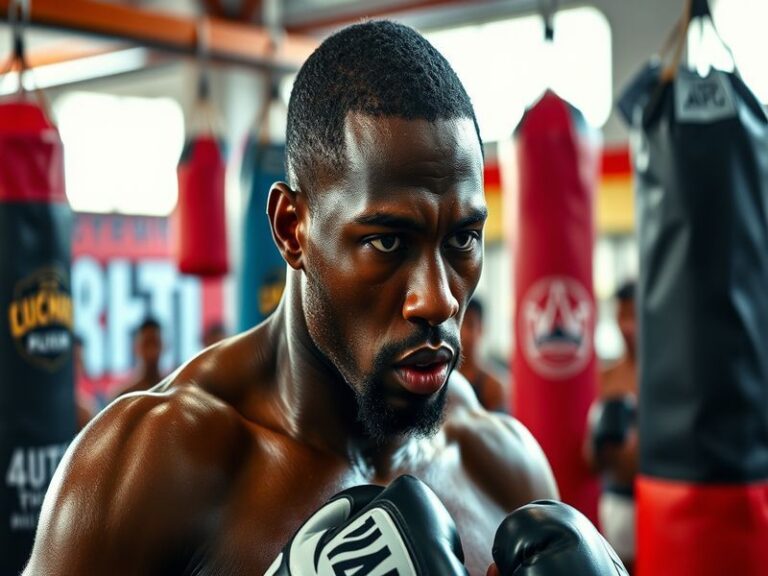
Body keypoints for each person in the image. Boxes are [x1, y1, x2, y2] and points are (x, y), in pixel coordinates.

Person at [25, 22, 625, 576]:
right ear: (293, 228)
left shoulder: (499, 463)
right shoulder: (149, 469)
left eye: (463, 238)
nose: (437, 300)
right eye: (388, 241)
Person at [585, 281, 638, 572]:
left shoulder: (669, 377)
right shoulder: (604, 379)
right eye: (621, 316)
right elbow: (589, 460)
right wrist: (603, 445)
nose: (627, 326)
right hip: (617, 503)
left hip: (662, 501)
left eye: (634, 315)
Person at [459, 298, 507, 412]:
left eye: (470, 325)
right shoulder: (440, 378)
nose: (463, 333)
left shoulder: (493, 387)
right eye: (459, 324)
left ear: (481, 329)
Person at [113, 316, 164, 398]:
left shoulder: (175, 391)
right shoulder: (124, 396)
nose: (151, 351)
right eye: (147, 344)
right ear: (136, 347)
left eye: (155, 343)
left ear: (163, 345)